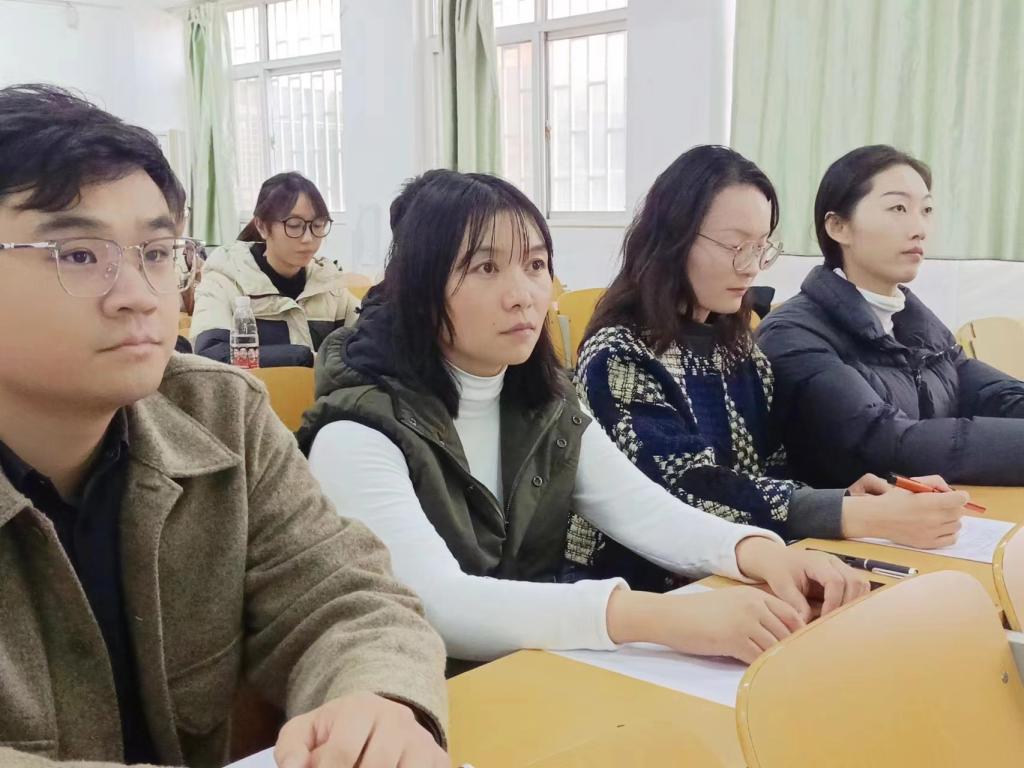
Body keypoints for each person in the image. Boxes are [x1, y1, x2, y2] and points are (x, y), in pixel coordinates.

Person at [0, 84, 447, 768]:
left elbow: (343, 597)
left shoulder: (221, 417)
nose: (138, 296)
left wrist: (375, 700)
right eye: (80, 255)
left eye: (156, 253)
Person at [298, 169, 869, 668]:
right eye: (485, 267)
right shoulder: (356, 434)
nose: (523, 294)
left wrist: (763, 554)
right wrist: (661, 618)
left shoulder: (542, 406)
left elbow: (644, 510)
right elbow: (435, 604)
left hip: (525, 674)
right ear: (420, 288)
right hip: (405, 702)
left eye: (535, 264)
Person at [572, 145, 971, 589]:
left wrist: (843, 497)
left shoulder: (740, 350)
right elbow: (686, 490)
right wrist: (856, 515)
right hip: (640, 591)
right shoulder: (618, 355)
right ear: (672, 238)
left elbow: (768, 472)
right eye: (735, 246)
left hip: (744, 572)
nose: (751, 268)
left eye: (761, 247)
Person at [757, 145, 1024, 487]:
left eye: (926, 210)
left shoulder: (922, 329)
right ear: (838, 226)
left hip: (934, 513)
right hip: (845, 519)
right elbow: (889, 444)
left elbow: (997, 396)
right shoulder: (792, 334)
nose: (919, 228)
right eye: (898, 208)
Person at [191, 172, 360, 367]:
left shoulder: (328, 284)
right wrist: (303, 358)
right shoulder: (224, 280)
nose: (308, 238)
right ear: (262, 226)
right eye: (294, 226)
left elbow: (368, 338)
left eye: (317, 225)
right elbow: (211, 355)